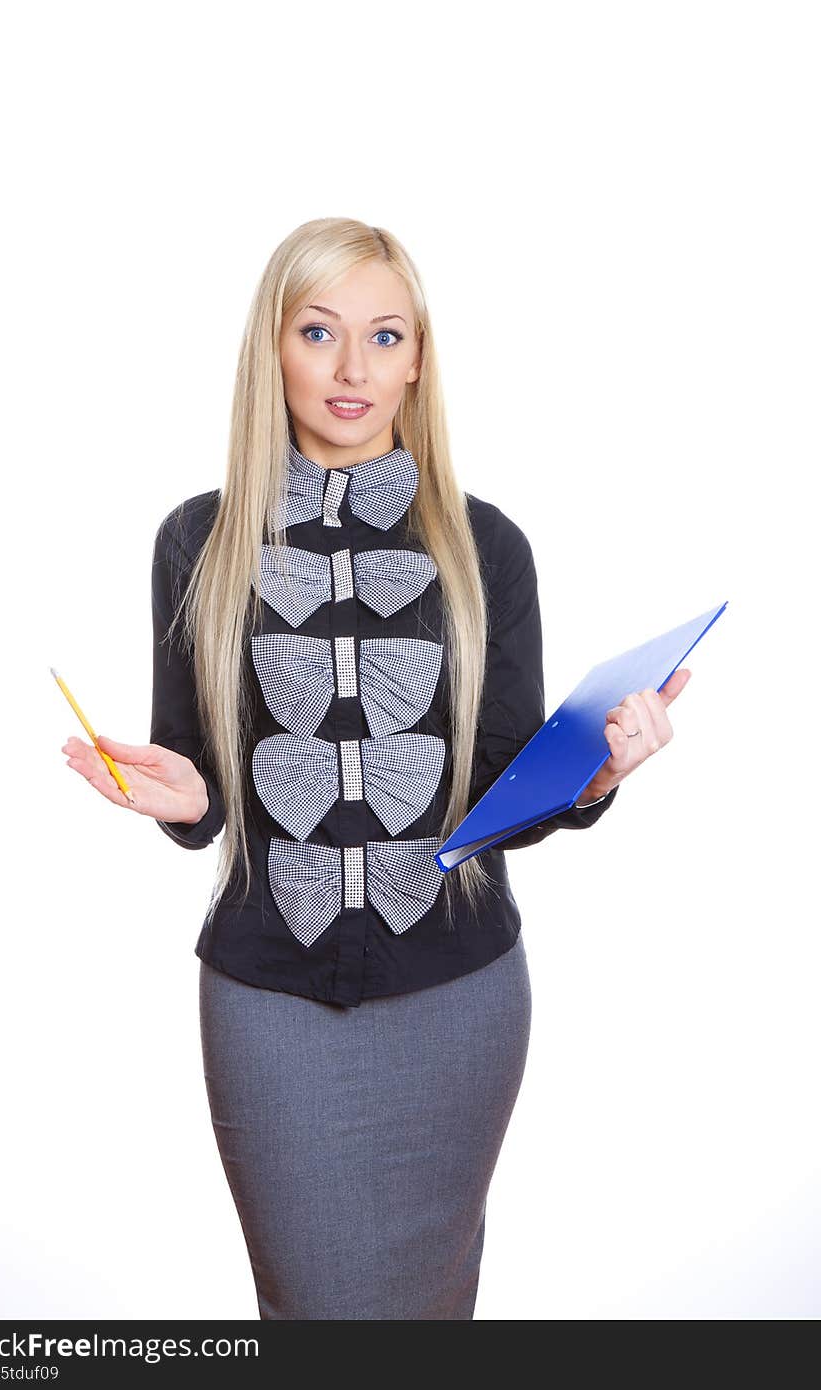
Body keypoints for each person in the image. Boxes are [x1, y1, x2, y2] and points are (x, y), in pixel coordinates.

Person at [60, 217, 691, 1320]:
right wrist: (191, 798)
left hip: (461, 999)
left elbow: (502, 788)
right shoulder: (195, 540)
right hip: (269, 1003)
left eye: (383, 335)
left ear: (417, 357)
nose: (352, 368)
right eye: (319, 331)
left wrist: (589, 781)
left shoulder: (486, 545)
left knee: (433, 1308)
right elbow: (203, 785)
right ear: (275, 348)